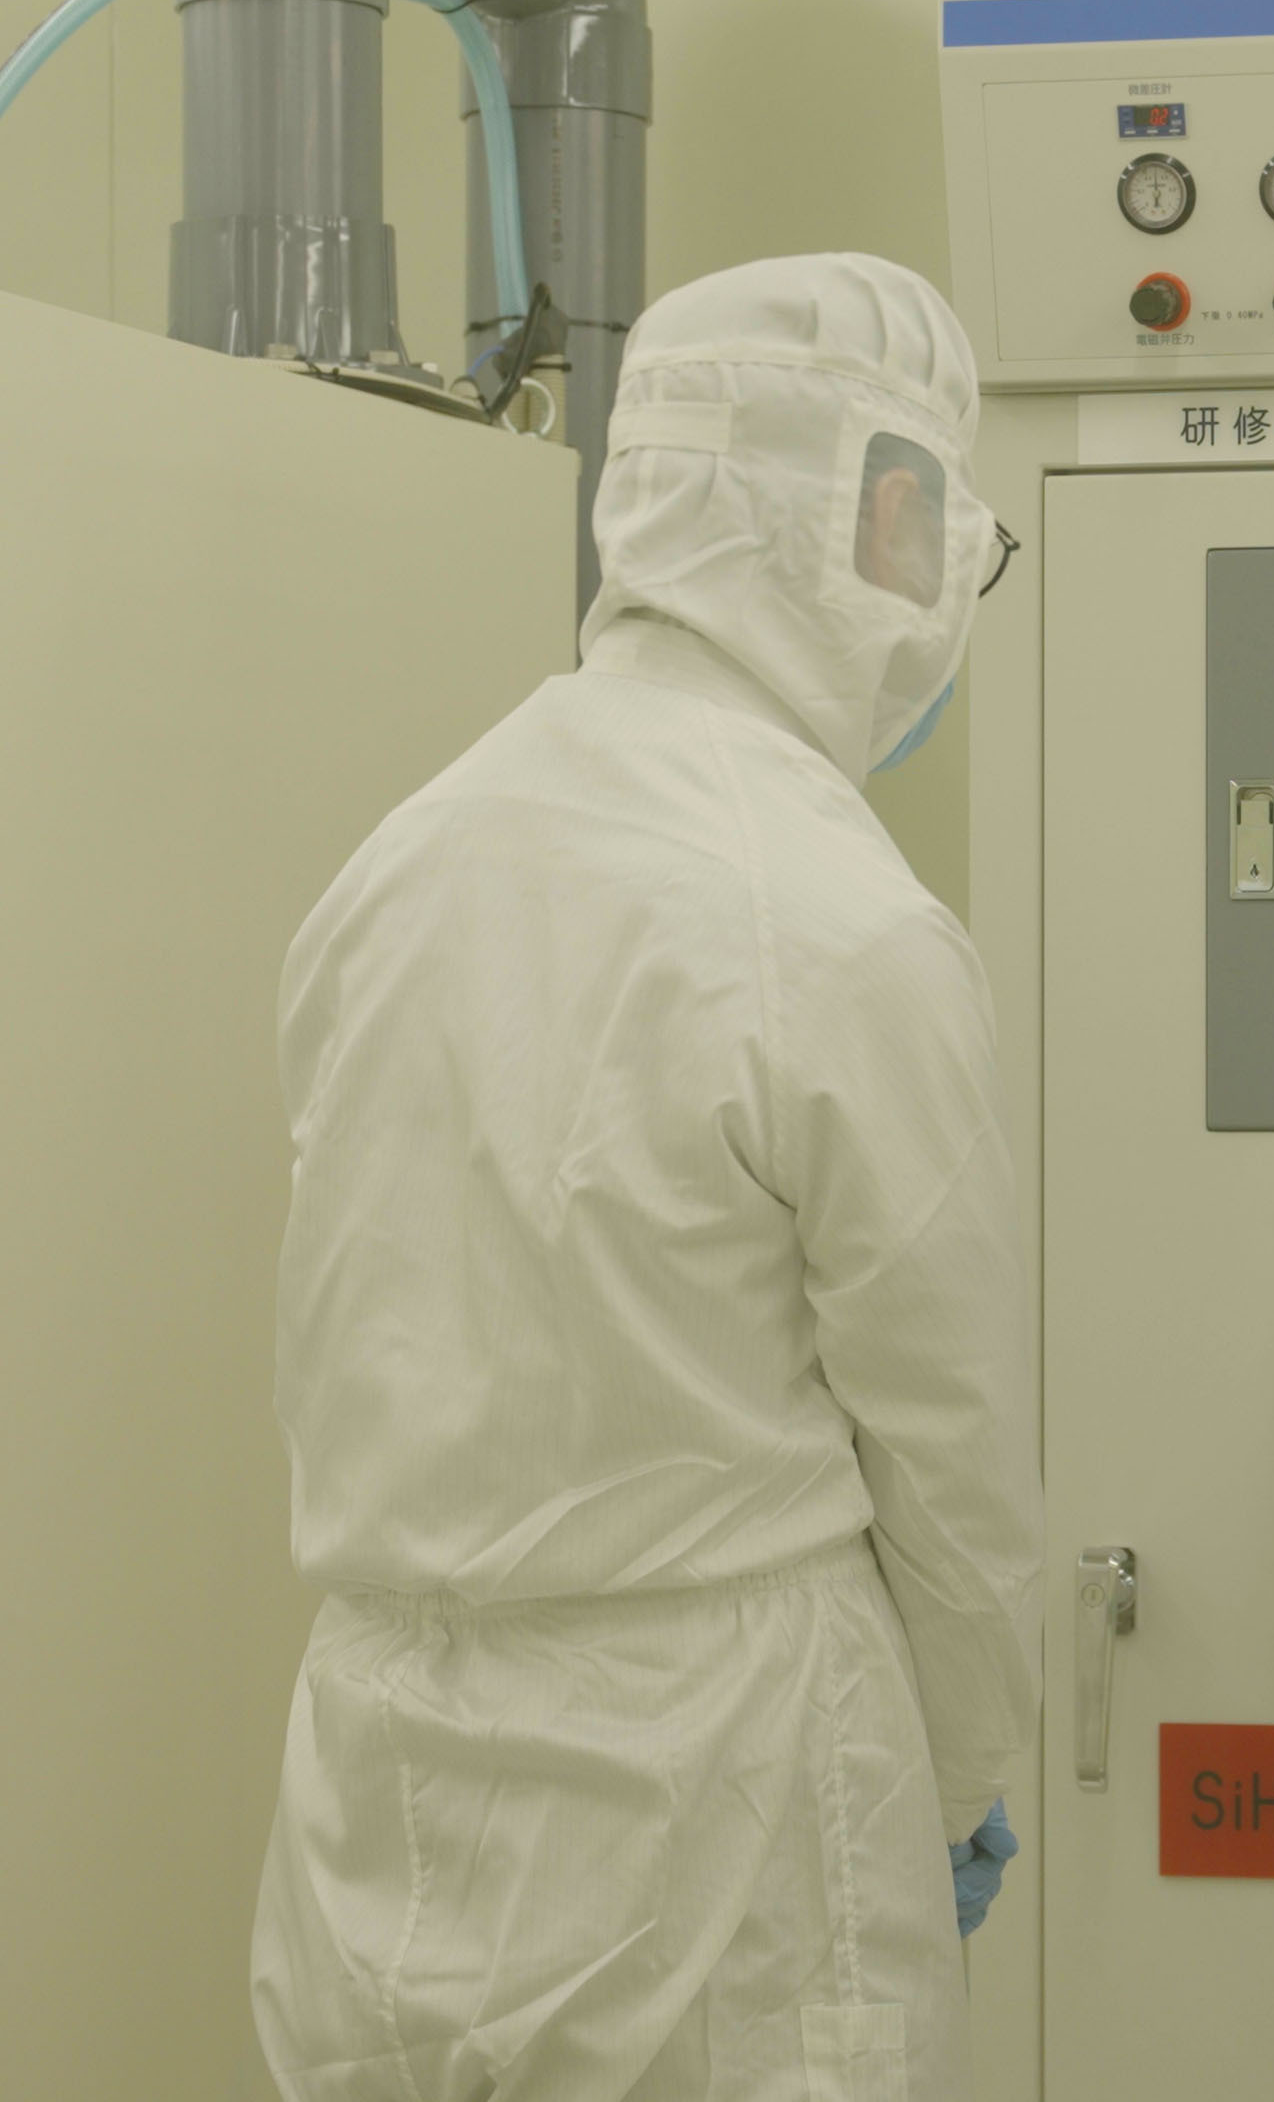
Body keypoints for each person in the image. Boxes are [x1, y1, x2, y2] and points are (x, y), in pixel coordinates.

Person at [250, 254, 1041, 2102]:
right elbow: (952, 1463)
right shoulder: (838, 921)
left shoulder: (401, 863)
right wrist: (964, 1772)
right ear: (891, 523)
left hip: (381, 1795)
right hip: (718, 1813)